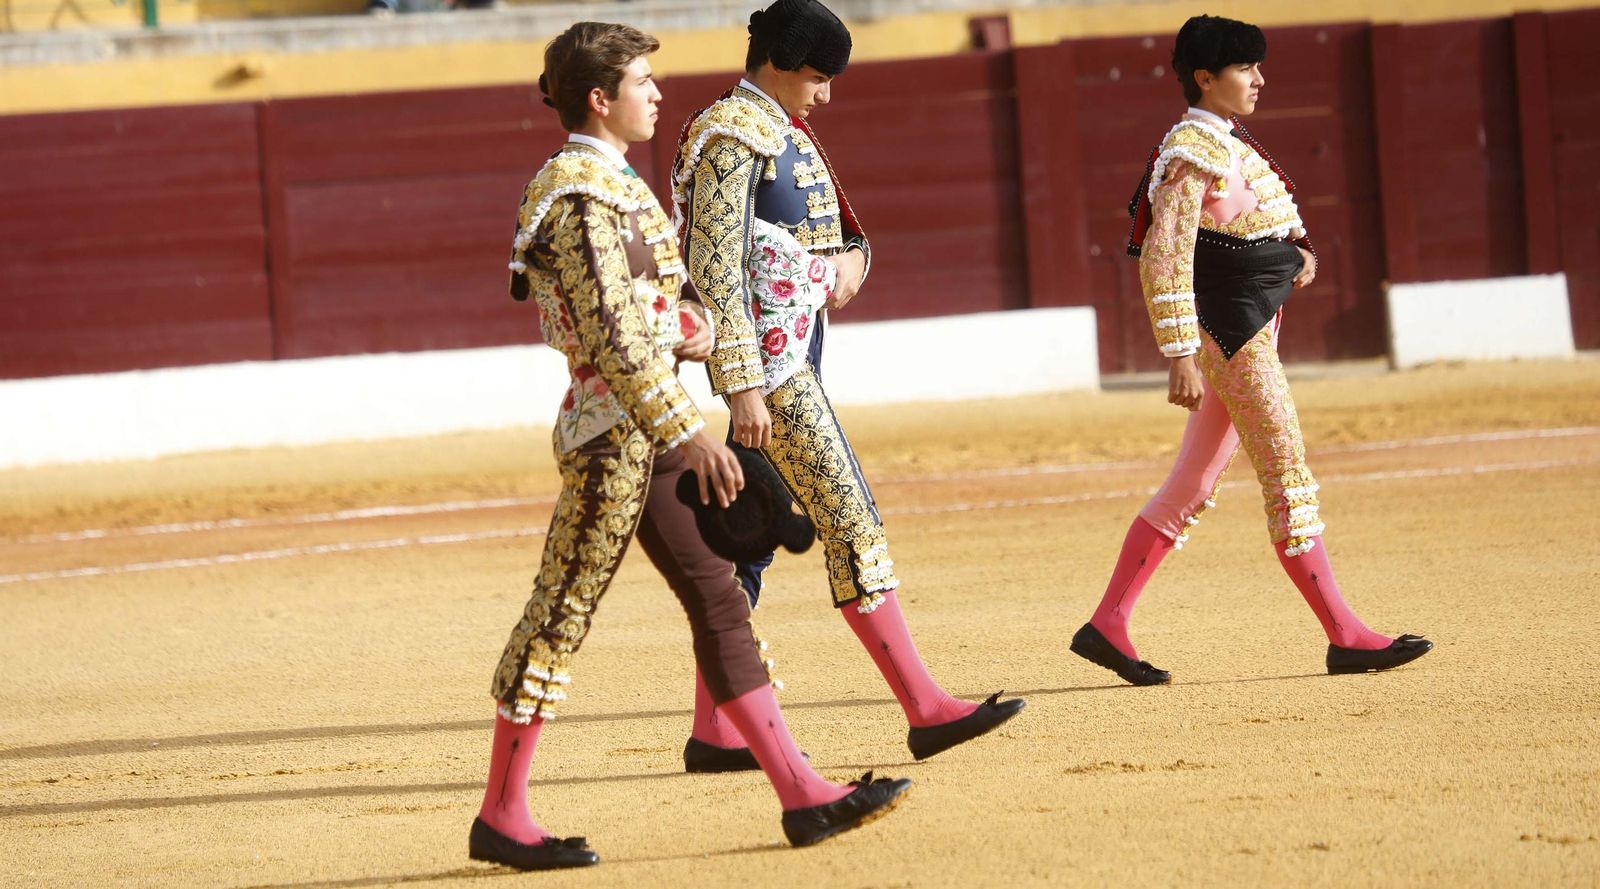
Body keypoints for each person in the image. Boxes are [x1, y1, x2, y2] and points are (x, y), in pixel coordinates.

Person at [471, 21, 910, 871]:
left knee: (717, 596)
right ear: (600, 99)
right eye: (641, 80)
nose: (657, 92)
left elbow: (638, 314)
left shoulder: (612, 186)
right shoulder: (578, 194)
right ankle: (501, 812)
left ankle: (801, 789)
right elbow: (610, 331)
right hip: (613, 438)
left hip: (643, 427)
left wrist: (694, 324)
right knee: (561, 610)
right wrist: (691, 427)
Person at [671, 0, 1023, 774]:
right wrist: (741, 388)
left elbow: (846, 233)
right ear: (781, 64)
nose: (825, 93)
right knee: (851, 518)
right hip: (774, 372)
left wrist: (853, 267)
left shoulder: (778, 131)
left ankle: (716, 729)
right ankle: (925, 707)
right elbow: (717, 272)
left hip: (795, 355)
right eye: (817, 76)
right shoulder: (730, 137)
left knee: (746, 542)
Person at [1070, 14, 1432, 686]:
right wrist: (1179, 352)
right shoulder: (1193, 150)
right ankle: (1345, 634)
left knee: (1193, 483)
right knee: (1287, 470)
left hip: (1248, 328)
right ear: (1205, 77)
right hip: (1231, 339)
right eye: (1245, 68)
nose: (1260, 79)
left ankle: (1108, 623)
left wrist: (1295, 255)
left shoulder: (1226, 142)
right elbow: (1166, 256)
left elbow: (1253, 226)